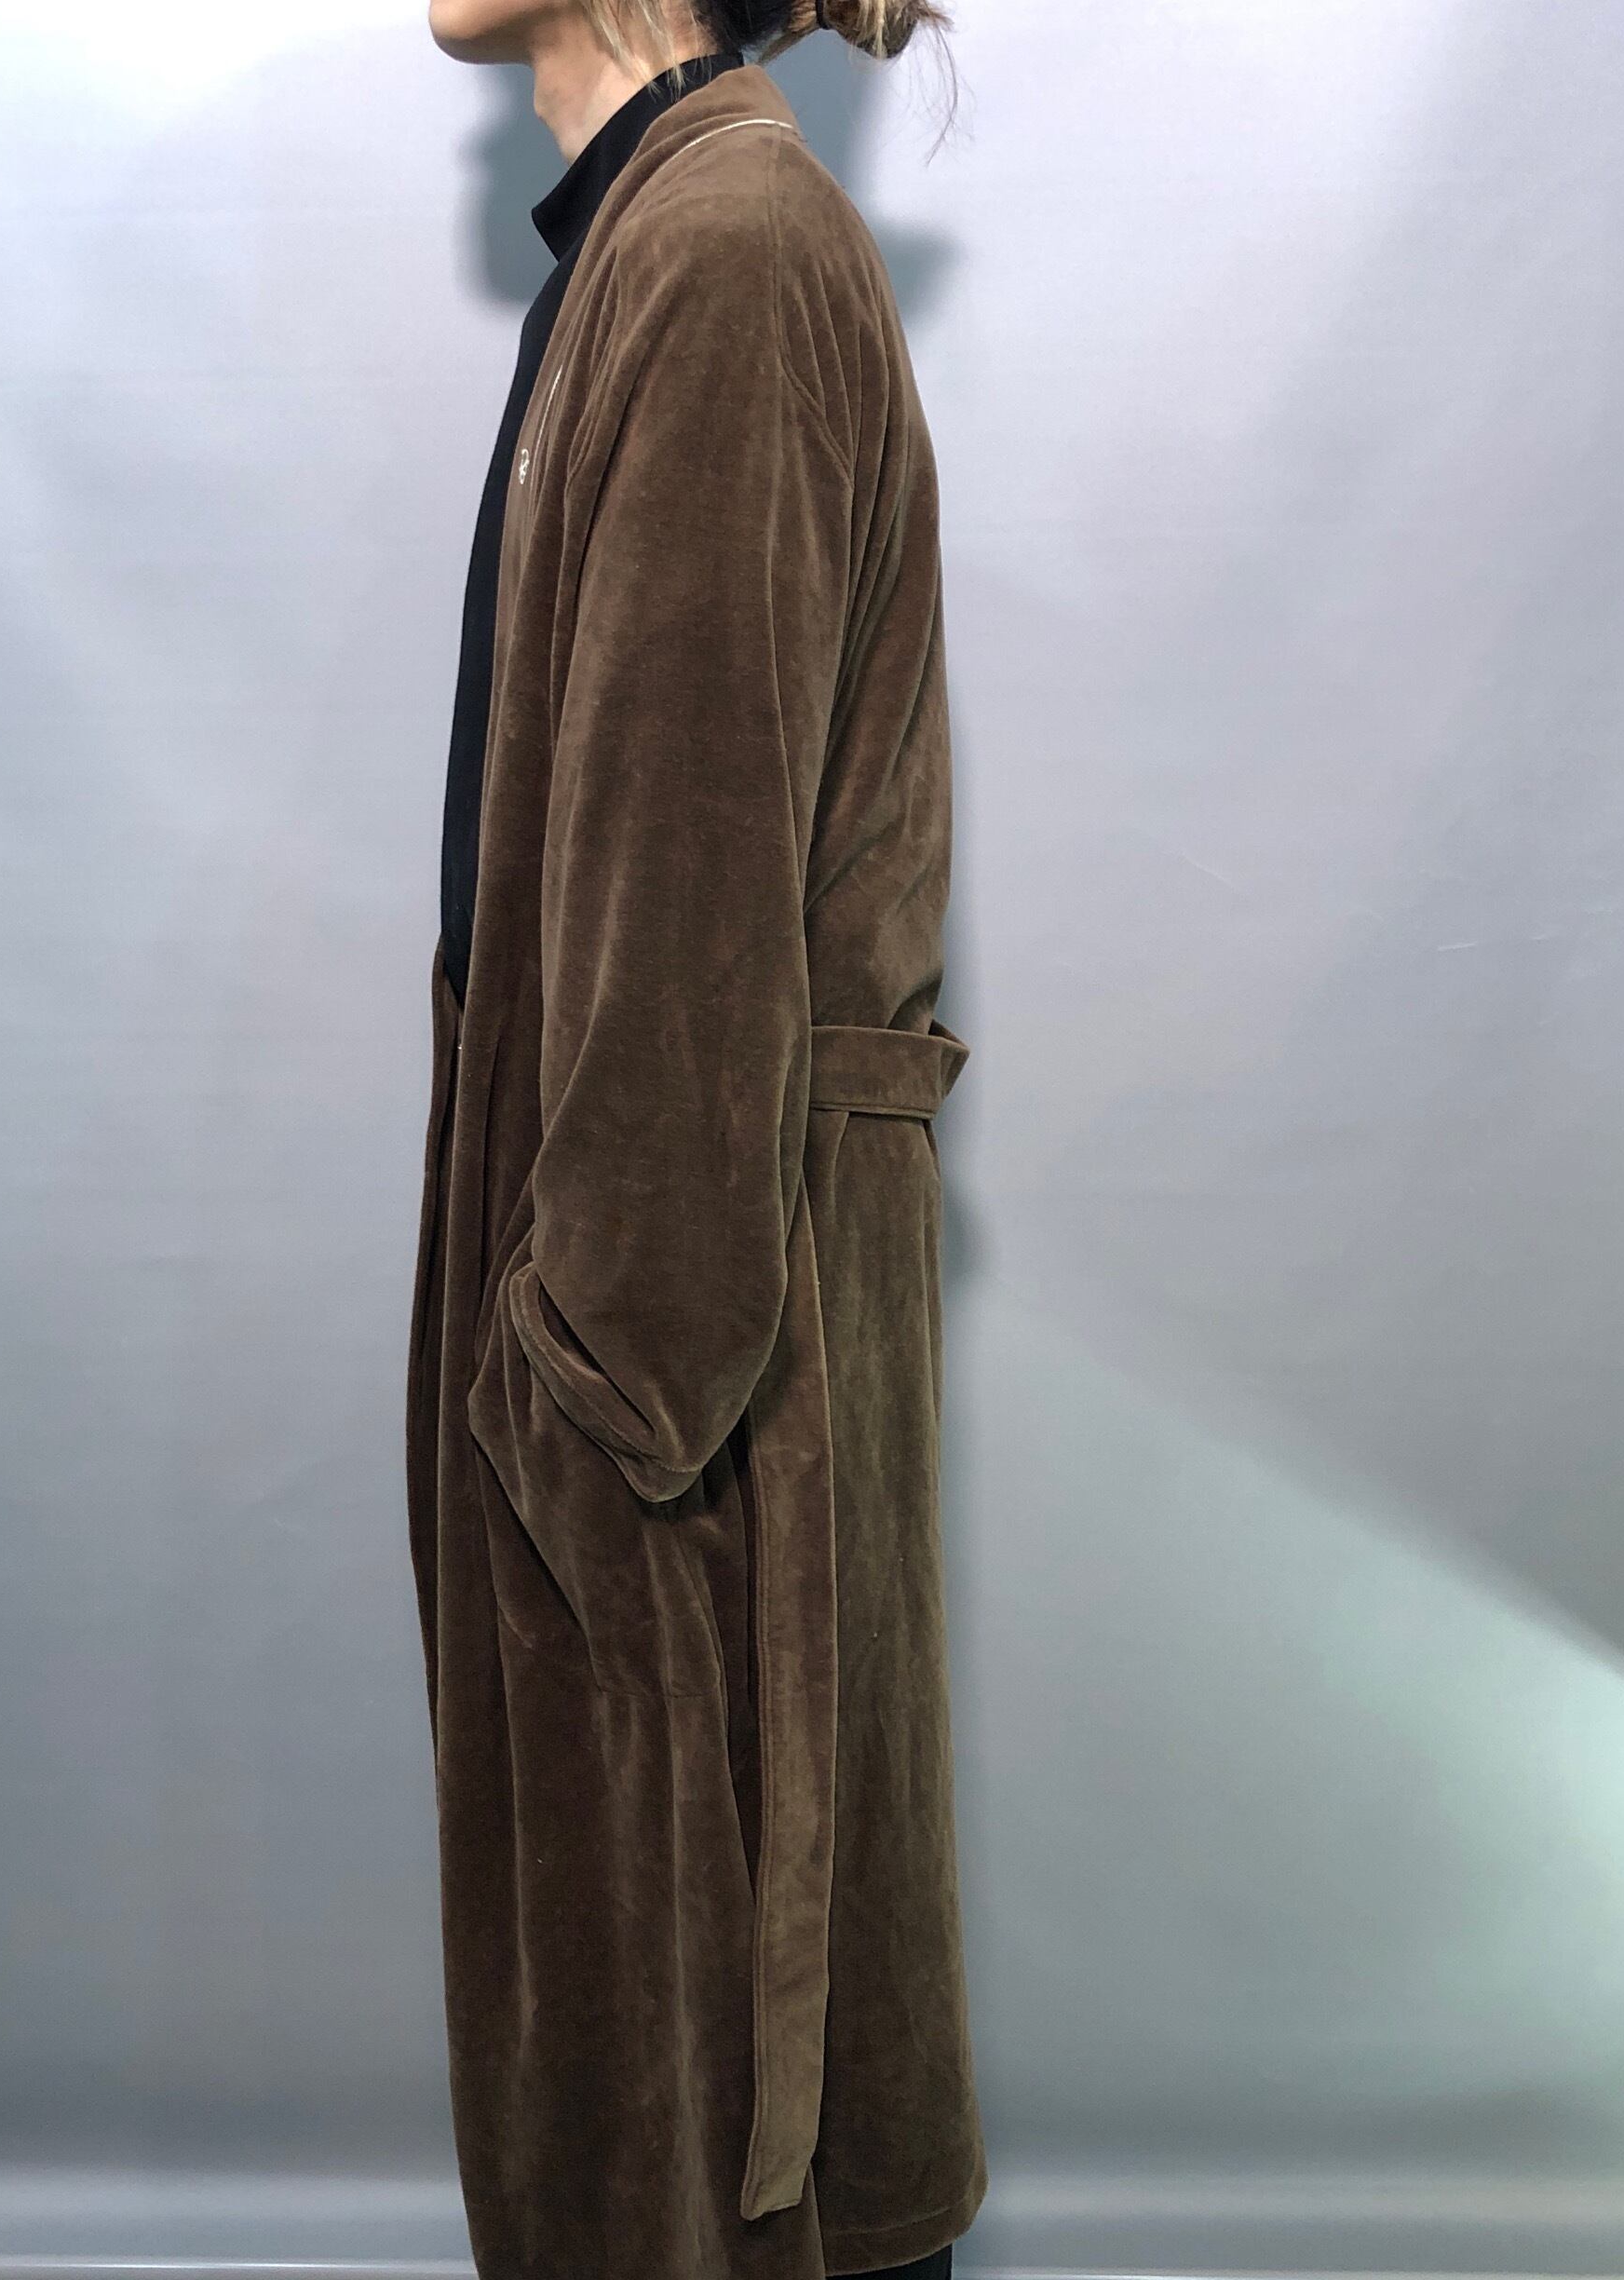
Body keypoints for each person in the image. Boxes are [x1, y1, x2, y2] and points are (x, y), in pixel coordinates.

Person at [408, 4, 984, 2275]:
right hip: (652, 1373)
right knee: (654, 2118)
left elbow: (682, 928)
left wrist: (594, 1392)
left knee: (716, 2138)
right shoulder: (662, 235)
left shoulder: (725, 249)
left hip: (686, 1404)